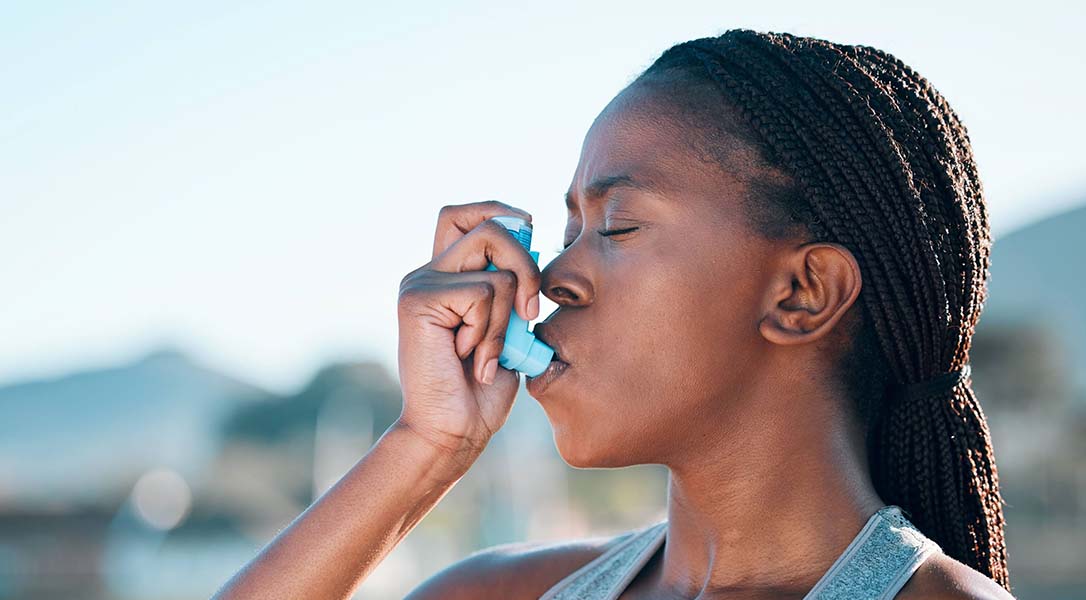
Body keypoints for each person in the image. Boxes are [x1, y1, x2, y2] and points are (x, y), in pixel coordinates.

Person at [215, 29, 1015, 599]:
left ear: (801, 294)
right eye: (567, 232)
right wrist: (426, 446)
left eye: (618, 226)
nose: (554, 276)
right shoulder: (498, 595)